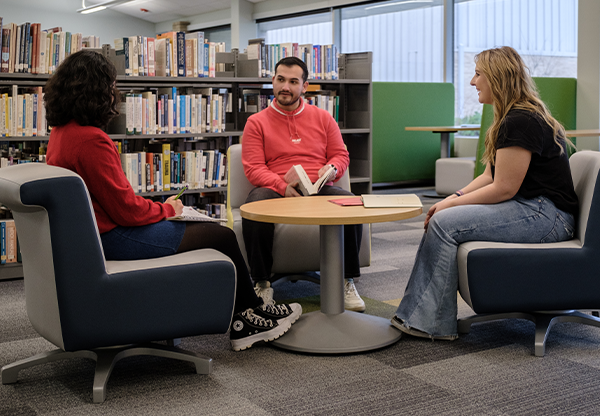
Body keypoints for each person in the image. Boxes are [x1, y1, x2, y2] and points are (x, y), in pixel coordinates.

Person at [43, 50, 301, 351]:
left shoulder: (61, 134)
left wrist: (158, 210)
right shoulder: (91, 140)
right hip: (114, 237)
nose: (115, 94)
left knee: (212, 232)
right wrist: (168, 209)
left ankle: (252, 310)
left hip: (93, 236)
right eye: (111, 86)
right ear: (97, 89)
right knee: (221, 236)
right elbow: (126, 210)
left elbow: (111, 200)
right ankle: (247, 318)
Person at [392, 46, 578, 340]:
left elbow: (504, 188)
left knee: (443, 224)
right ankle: (421, 315)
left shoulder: (521, 120)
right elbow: (489, 176)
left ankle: (429, 323)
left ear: (497, 78)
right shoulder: (512, 116)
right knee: (444, 216)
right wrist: (450, 200)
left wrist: (448, 209)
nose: (472, 81)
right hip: (533, 208)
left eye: (478, 74)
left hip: (547, 216)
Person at [241, 56, 365, 312]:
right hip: (275, 187)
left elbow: (341, 155)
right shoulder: (256, 122)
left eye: (293, 81)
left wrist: (332, 170)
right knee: (255, 206)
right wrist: (281, 186)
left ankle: (346, 279)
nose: (285, 86)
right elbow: (253, 168)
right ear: (273, 81)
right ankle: (262, 282)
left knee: (352, 203)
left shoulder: (323, 118)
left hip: (318, 187)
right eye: (281, 79)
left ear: (304, 86)